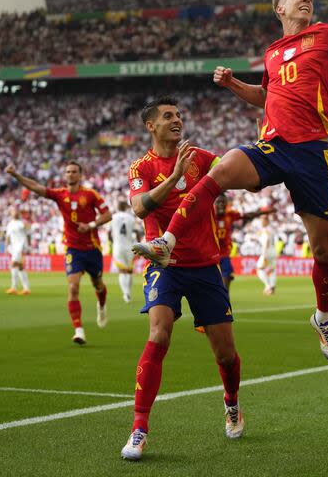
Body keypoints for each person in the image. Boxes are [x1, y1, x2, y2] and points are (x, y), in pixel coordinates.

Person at [132, 0, 328, 362]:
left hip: (311, 151)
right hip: (273, 145)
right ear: (280, 9)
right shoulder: (272, 52)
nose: (307, 0)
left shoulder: (327, 34)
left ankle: (323, 317)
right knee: (220, 171)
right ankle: (168, 242)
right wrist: (233, 84)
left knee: (324, 251)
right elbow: (265, 98)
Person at [121, 97, 243, 461]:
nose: (178, 120)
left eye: (179, 115)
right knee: (158, 335)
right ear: (151, 126)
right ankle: (139, 429)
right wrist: (174, 177)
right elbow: (141, 207)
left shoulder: (202, 157)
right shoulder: (140, 167)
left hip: (206, 265)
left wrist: (255, 155)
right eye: (169, 116)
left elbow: (232, 172)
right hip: (164, 264)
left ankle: (232, 403)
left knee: (225, 354)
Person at [5, 161, 112, 345]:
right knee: (73, 287)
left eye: (74, 172)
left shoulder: (90, 194)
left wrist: (91, 225)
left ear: (80, 174)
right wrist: (16, 176)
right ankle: (78, 330)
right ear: (65, 175)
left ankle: (101, 305)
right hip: (73, 248)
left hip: (93, 248)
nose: (70, 174)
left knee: (98, 284)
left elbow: (107, 215)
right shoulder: (59, 195)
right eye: (68, 172)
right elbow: (36, 187)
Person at [214, 194, 274, 291]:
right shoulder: (208, 215)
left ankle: (225, 298)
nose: (221, 204)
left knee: (227, 275)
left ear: (226, 204)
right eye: (218, 202)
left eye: (223, 202)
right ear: (214, 203)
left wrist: (264, 212)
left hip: (224, 253)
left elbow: (247, 215)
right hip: (210, 253)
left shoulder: (230, 214)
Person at [110, 200, 140, 303]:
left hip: (118, 246)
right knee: (129, 271)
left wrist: (111, 240)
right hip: (129, 247)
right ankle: (128, 292)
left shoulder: (113, 217)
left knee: (122, 271)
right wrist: (139, 243)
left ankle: (125, 293)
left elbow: (109, 232)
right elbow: (136, 231)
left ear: (118, 207)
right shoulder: (131, 218)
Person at [5, 207, 31, 295]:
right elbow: (7, 236)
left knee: (13, 264)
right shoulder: (10, 224)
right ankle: (26, 288)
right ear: (11, 213)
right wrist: (6, 247)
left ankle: (14, 287)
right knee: (20, 267)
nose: (15, 213)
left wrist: (29, 246)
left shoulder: (21, 223)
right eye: (13, 211)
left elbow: (28, 231)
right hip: (14, 247)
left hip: (21, 246)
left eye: (16, 212)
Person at [256, 215, 278, 295]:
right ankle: (272, 286)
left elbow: (266, 241)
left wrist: (264, 254)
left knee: (259, 269)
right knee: (272, 269)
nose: (261, 222)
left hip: (267, 251)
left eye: (262, 221)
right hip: (273, 250)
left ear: (266, 221)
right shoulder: (271, 229)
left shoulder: (265, 230)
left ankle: (268, 286)